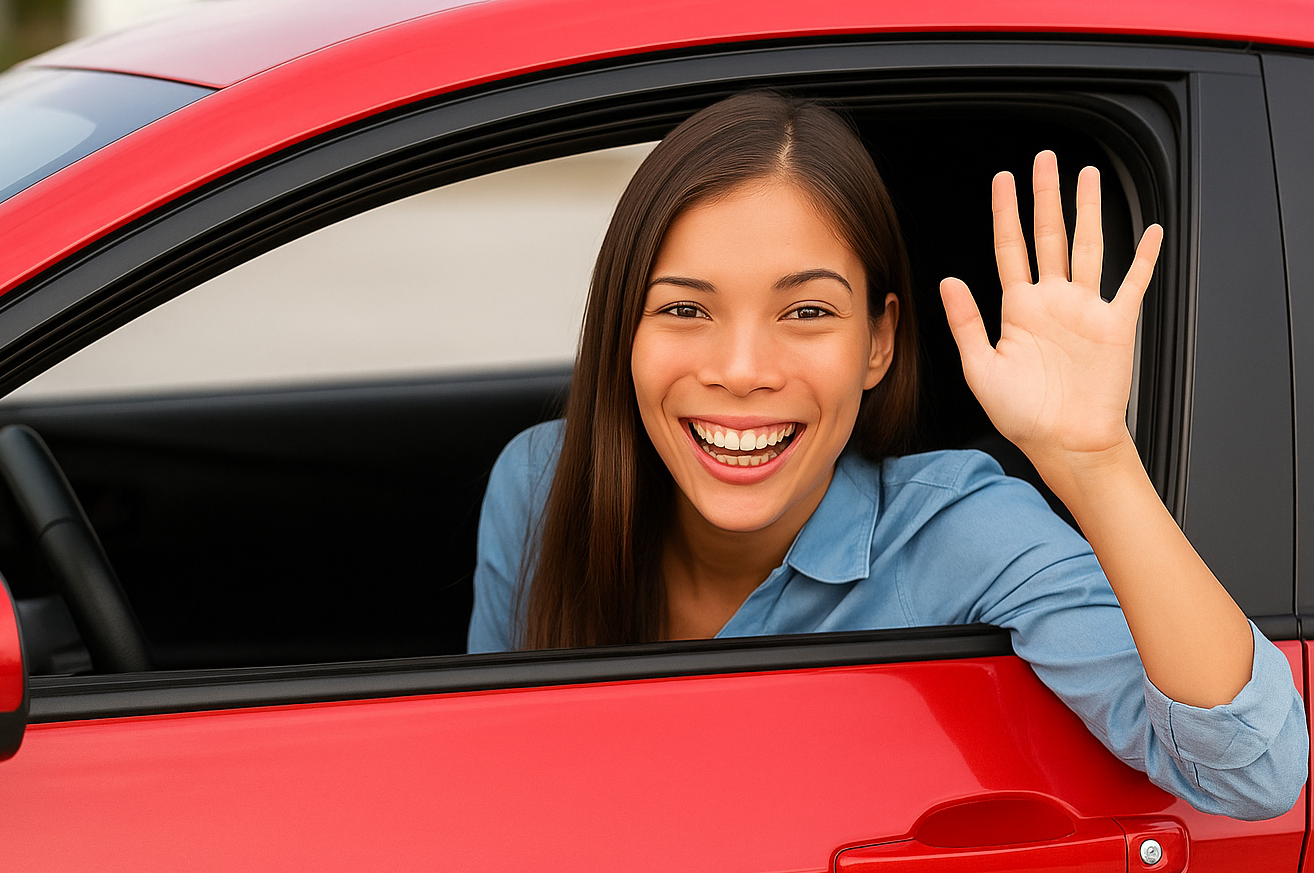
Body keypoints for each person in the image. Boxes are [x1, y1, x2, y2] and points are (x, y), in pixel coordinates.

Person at [467, 91, 1308, 820]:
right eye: (685, 311)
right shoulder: (540, 485)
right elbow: (493, 781)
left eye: (806, 313)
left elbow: (1252, 771)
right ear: (623, 333)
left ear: (878, 342)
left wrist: (1095, 459)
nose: (742, 370)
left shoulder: (957, 533)